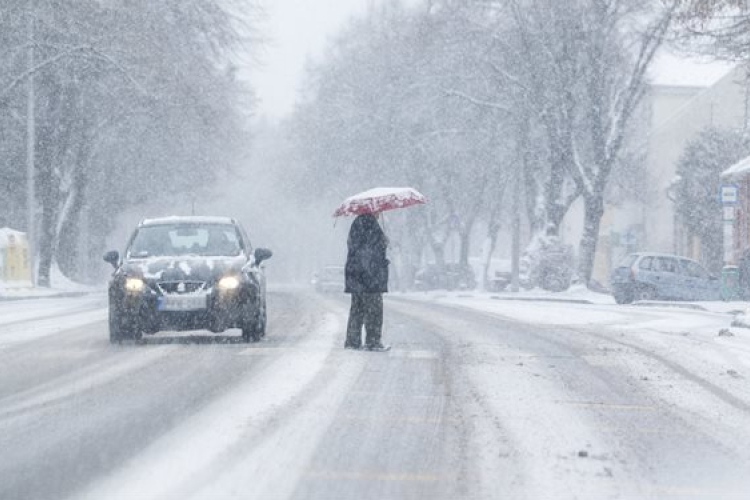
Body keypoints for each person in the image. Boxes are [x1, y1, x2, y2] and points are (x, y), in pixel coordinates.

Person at [344, 213, 389, 350]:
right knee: (374, 311)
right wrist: (383, 243)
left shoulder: (357, 223)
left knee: (357, 310)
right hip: (370, 278)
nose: (379, 211)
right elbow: (370, 251)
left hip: (357, 276)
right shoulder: (369, 224)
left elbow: (356, 248)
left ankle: (352, 341)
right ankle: (373, 341)